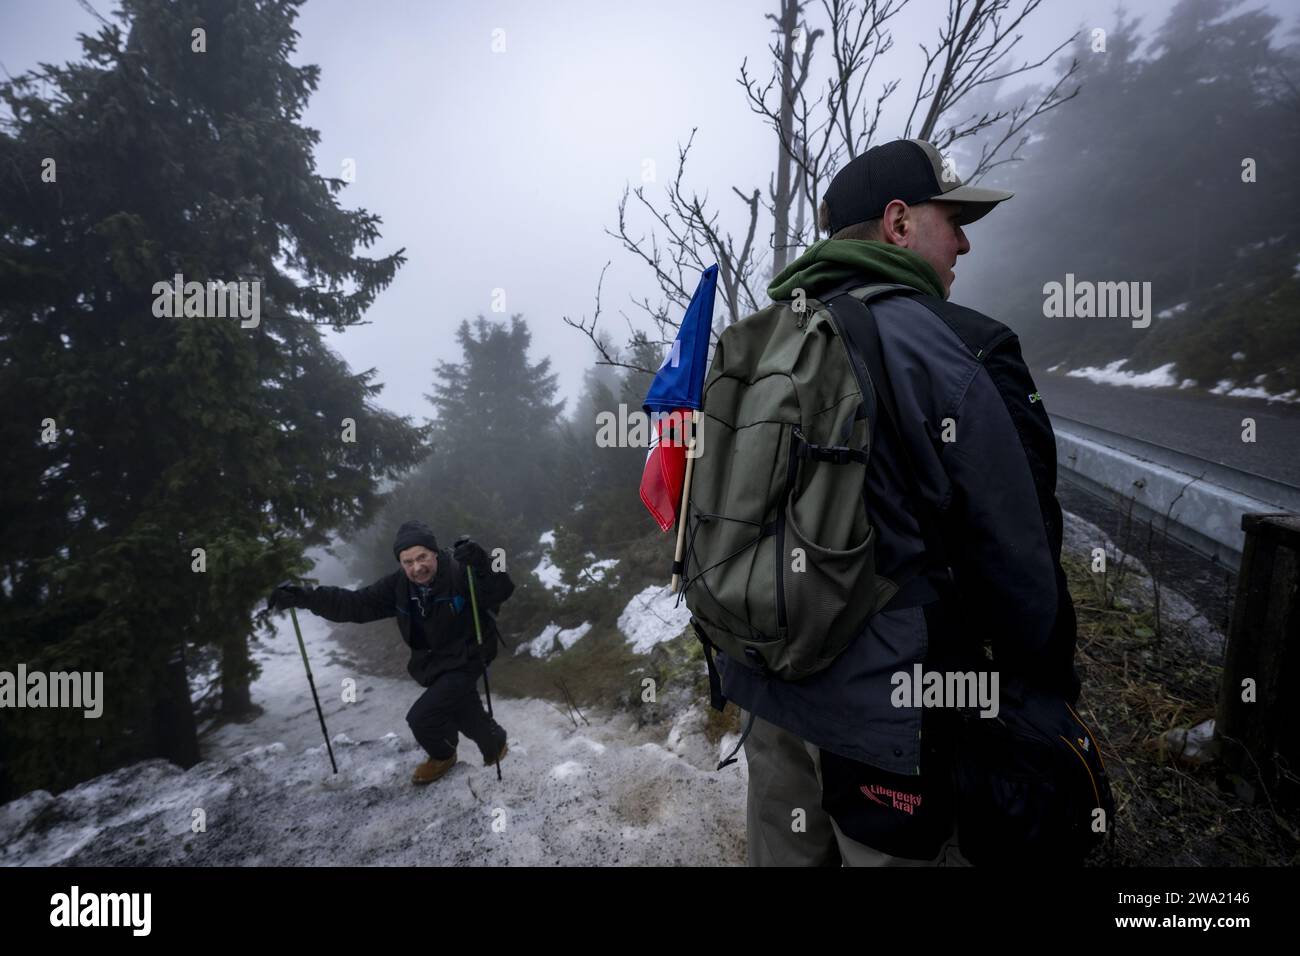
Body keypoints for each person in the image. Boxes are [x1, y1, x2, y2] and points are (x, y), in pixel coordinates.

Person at [716, 138, 1080, 866]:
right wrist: (1047, 691)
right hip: (890, 711)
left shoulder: (757, 339)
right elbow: (1020, 548)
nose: (966, 242)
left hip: (768, 685)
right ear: (899, 223)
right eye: (952, 219)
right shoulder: (965, 344)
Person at [269, 520, 514, 785]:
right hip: (434, 662)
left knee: (422, 718)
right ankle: (495, 744)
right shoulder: (398, 586)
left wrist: (482, 562)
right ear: (400, 563)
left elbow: (500, 589)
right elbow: (355, 604)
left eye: (422, 557)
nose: (417, 567)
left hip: (468, 654)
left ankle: (443, 755)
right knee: (464, 711)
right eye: (408, 562)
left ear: (434, 552)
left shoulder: (458, 570)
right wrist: (304, 597)